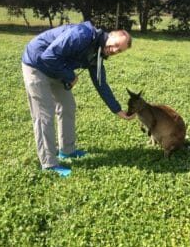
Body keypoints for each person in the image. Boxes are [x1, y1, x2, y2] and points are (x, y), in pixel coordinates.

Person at [22, 21, 135, 177]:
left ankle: (67, 150)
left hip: (57, 69)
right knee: (44, 115)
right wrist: (70, 76)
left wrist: (117, 110)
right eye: (116, 45)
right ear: (111, 35)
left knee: (68, 106)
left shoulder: (98, 54)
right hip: (37, 64)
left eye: (119, 50)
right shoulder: (83, 35)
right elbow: (48, 55)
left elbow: (101, 83)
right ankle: (49, 164)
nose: (114, 50)